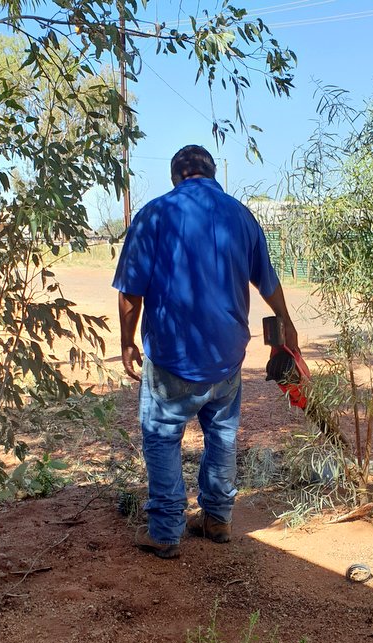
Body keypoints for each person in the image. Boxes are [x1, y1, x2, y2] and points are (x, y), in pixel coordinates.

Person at [112, 144, 299, 559]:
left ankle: (165, 531)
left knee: (162, 438)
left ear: (176, 176)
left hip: (172, 356)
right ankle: (217, 518)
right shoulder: (241, 216)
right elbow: (267, 283)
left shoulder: (154, 215)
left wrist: (127, 342)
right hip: (227, 356)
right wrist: (287, 322)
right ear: (212, 174)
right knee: (222, 434)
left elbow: (130, 293)